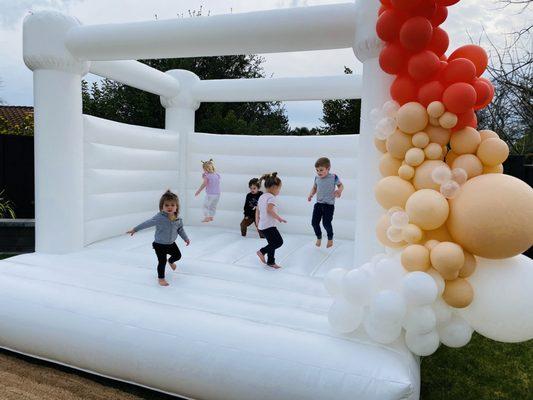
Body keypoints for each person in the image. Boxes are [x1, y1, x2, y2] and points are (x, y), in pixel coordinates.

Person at [127, 190, 190, 287]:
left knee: (178, 256)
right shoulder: (159, 217)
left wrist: (185, 238)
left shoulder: (178, 219)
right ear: (162, 207)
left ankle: (171, 261)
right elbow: (147, 223)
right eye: (167, 205)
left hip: (171, 243)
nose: (169, 207)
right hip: (159, 245)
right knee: (162, 261)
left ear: (176, 207)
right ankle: (161, 278)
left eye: (172, 205)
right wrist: (135, 229)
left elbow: (180, 230)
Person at [307, 157, 344, 248]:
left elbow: (341, 185)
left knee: (326, 223)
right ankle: (319, 237)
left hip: (329, 205)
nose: (319, 172)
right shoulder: (317, 178)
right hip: (318, 204)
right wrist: (311, 194)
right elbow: (315, 187)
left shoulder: (333, 177)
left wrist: (339, 191)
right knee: (314, 223)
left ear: (328, 168)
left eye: (321, 170)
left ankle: (330, 238)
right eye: (317, 170)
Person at [256, 172, 286, 268]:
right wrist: (279, 218)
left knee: (272, 243)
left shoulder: (262, 196)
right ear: (274, 187)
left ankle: (271, 262)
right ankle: (262, 251)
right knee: (278, 242)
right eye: (279, 189)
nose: (279, 191)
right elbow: (269, 210)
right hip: (269, 226)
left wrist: (257, 222)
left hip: (263, 226)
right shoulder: (271, 197)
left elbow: (258, 210)